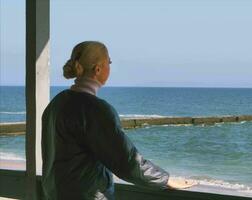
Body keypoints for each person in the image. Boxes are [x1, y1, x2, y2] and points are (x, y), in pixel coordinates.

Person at [41, 41, 196, 200]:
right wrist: (165, 179)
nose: (110, 67)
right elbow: (126, 161)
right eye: (109, 62)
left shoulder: (57, 103)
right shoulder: (96, 110)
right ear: (98, 69)